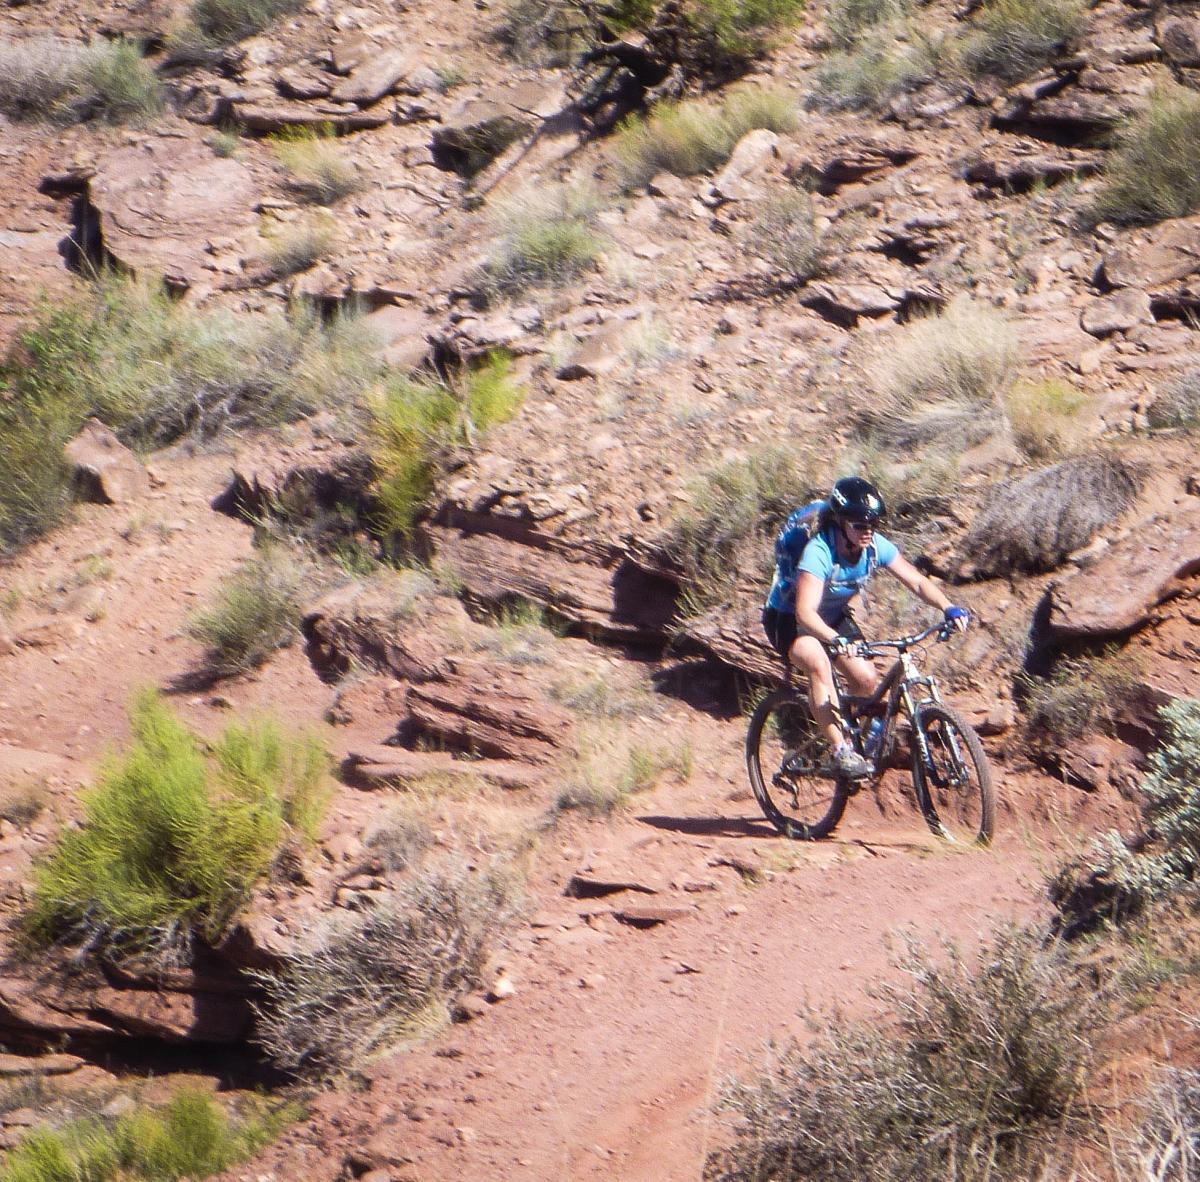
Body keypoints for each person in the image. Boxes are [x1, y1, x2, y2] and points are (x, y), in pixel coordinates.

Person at [762, 476, 969, 780]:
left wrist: (947, 607)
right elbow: (805, 613)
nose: (867, 531)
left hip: (831, 618)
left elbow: (916, 581)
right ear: (840, 522)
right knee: (819, 663)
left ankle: (855, 742)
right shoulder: (819, 552)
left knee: (866, 679)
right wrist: (837, 640)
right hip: (790, 620)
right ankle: (840, 752)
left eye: (872, 524)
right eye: (859, 525)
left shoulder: (875, 547)